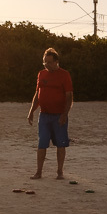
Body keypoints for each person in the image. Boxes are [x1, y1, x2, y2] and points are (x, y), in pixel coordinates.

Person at [26, 47, 73, 180]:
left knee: (61, 143)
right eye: (45, 62)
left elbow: (69, 96)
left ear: (56, 61)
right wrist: (31, 111)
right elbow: (37, 94)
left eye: (49, 62)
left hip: (59, 115)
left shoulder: (64, 75)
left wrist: (64, 114)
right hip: (44, 115)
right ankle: (39, 172)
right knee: (42, 143)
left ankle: (59, 171)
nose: (47, 64)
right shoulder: (41, 74)